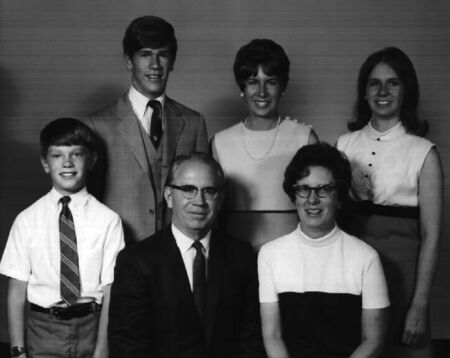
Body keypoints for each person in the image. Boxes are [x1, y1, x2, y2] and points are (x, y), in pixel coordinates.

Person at [336, 47, 443, 357]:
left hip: (404, 271)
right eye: (374, 83)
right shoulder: (344, 145)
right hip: (353, 269)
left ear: (406, 89)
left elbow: (432, 235)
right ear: (364, 91)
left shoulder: (424, 151)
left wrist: (419, 306)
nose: (383, 91)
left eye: (393, 82)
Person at [108, 152, 266, 358]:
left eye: (209, 191)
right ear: (168, 197)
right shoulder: (136, 261)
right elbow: (128, 346)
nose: (199, 201)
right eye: (188, 190)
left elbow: (251, 340)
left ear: (220, 199)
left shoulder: (241, 256)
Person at [0, 118, 125, 358]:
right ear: (45, 163)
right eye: (57, 155)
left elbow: (111, 290)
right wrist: (18, 351)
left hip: (93, 325)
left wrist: (102, 349)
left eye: (76, 154)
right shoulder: (26, 220)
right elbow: (16, 292)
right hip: (44, 330)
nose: (67, 162)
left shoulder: (109, 220)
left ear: (91, 160)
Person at [259, 143, 390, 358]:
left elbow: (373, 341)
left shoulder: (366, 258)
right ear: (294, 196)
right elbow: (273, 337)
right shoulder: (270, 255)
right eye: (304, 189)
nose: (312, 199)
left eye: (324, 189)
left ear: (339, 198)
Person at [85, 15, 208, 244]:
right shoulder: (97, 125)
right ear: (129, 61)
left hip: (179, 257)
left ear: (172, 61)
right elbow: (88, 208)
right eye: (145, 55)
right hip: (121, 255)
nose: (155, 65)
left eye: (162, 54)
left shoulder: (194, 123)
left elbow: (206, 197)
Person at [212, 39, 318, 250]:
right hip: (236, 256)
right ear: (242, 87)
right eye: (253, 81)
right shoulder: (220, 142)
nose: (262, 92)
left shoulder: (305, 137)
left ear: (282, 87)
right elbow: (215, 214)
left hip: (292, 254)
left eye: (270, 82)